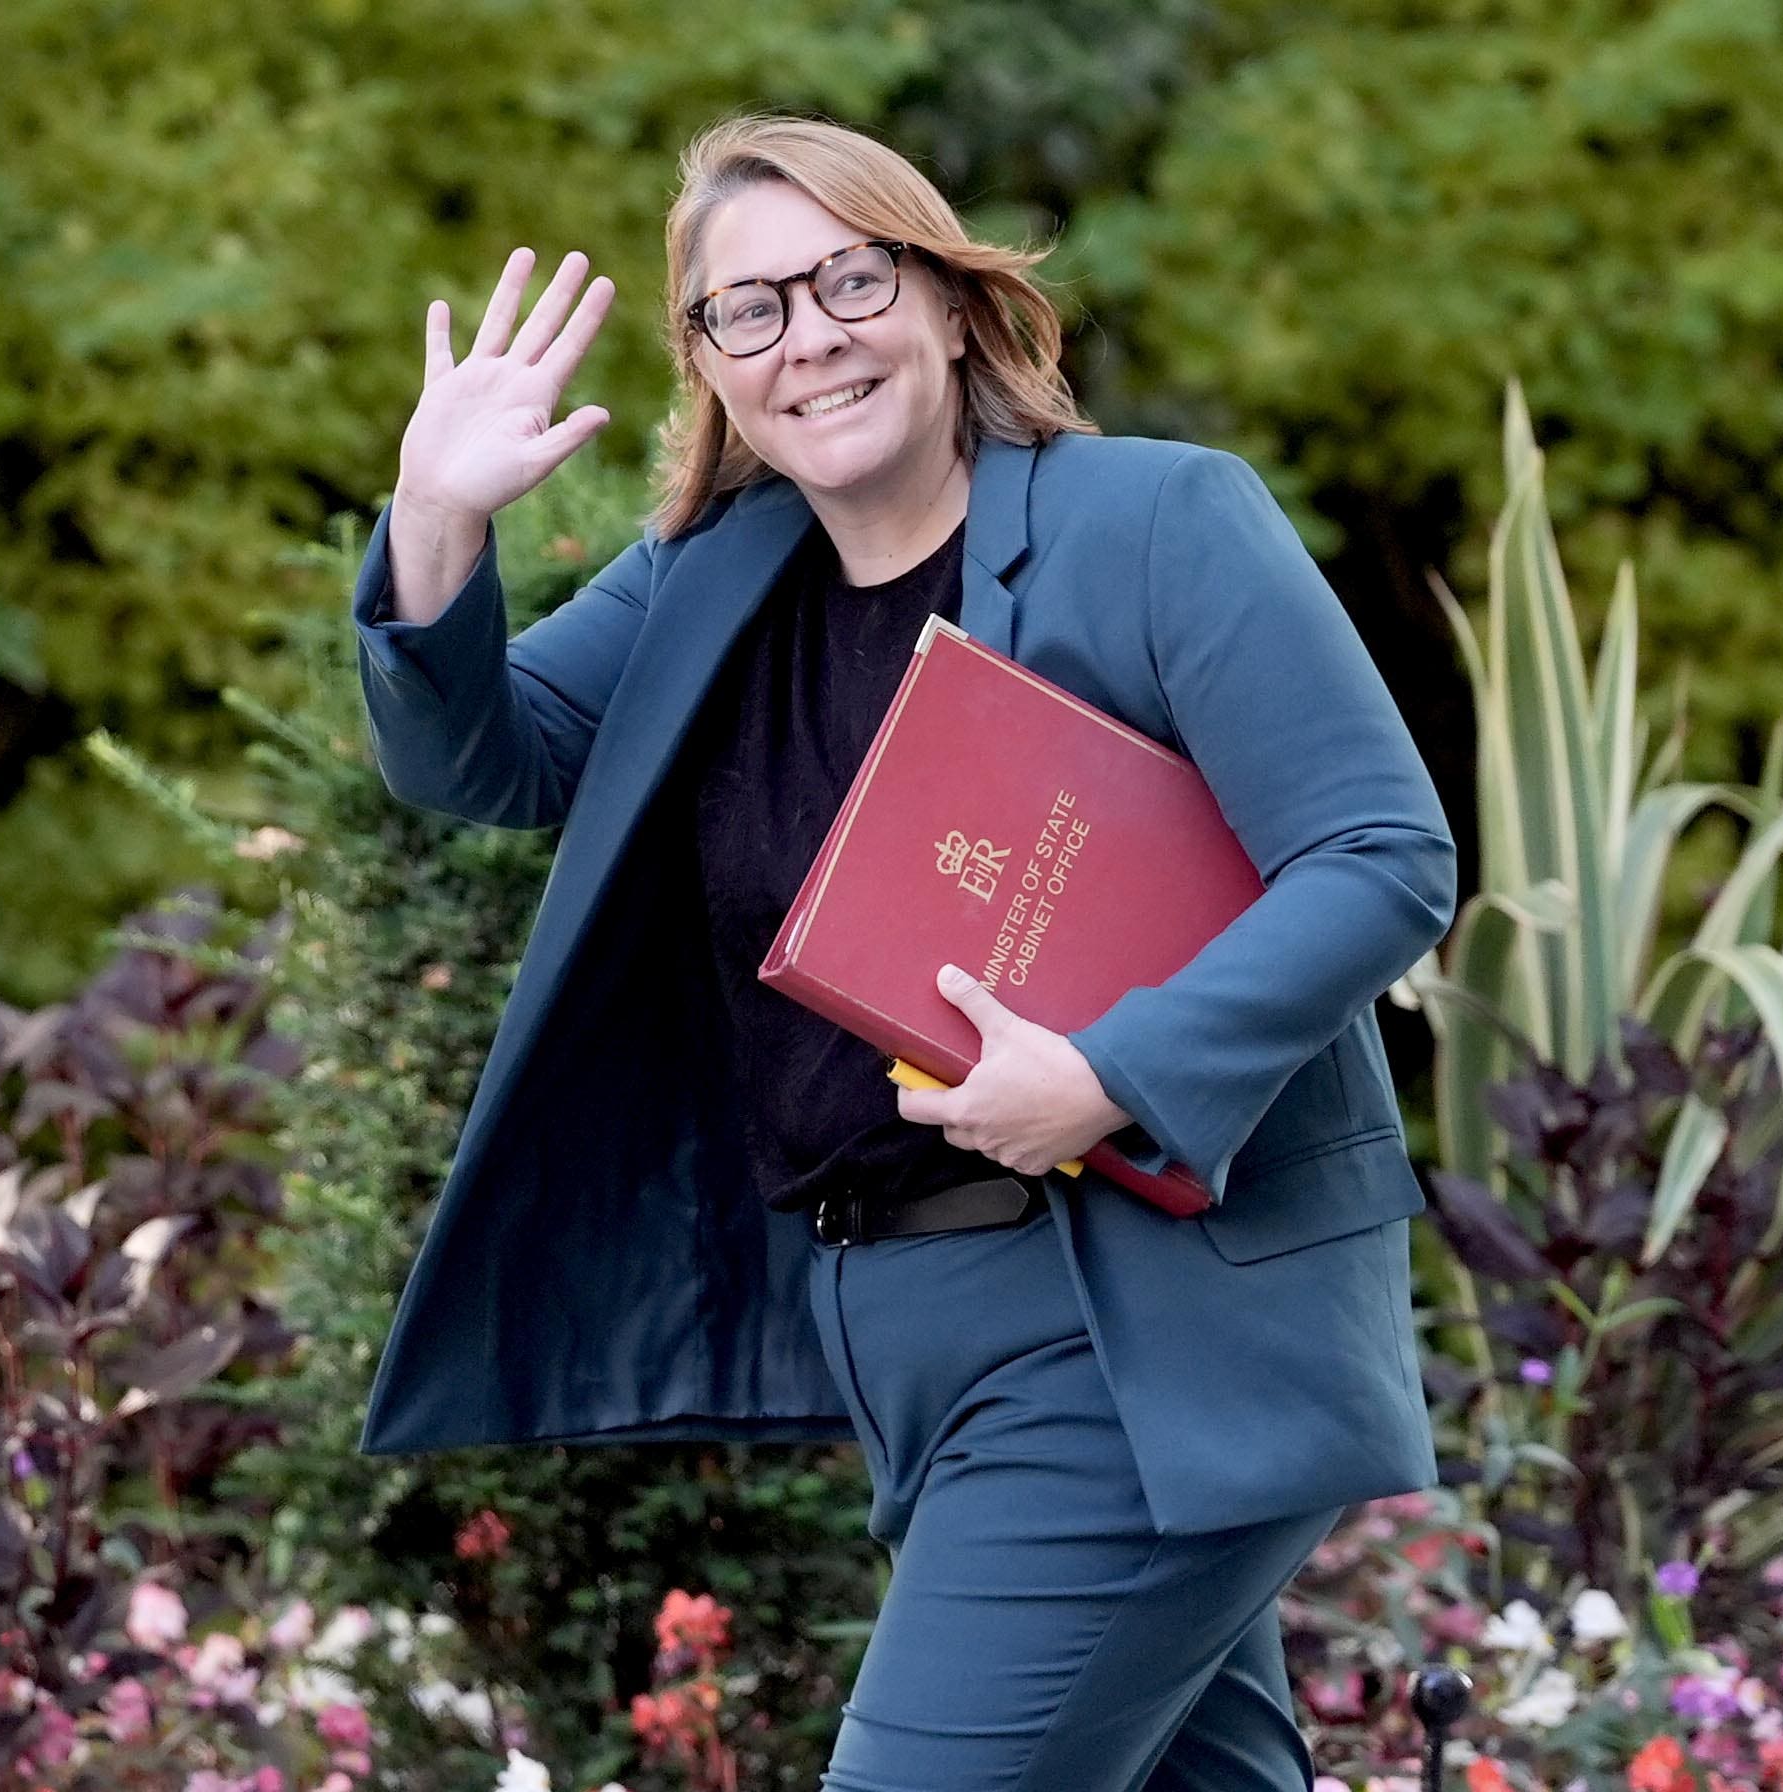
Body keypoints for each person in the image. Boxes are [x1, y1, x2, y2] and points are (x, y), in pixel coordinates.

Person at [350, 112, 1459, 1792]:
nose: (812, 337)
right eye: (753, 310)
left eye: (850, 281)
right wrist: (435, 521)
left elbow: (1382, 853)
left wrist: (1110, 1076)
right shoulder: (706, 590)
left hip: (1133, 1325)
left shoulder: (1154, 522)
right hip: (900, 1333)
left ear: (948, 300)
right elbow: (479, 759)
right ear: (710, 367)